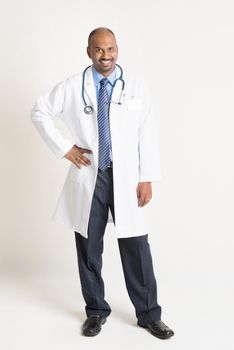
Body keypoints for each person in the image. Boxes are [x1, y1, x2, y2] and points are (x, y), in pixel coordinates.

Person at [31, 27, 174, 339]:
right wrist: (64, 148)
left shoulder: (135, 85)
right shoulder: (72, 86)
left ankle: (149, 314)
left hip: (127, 179)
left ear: (117, 50)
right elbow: (40, 111)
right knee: (88, 247)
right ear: (89, 51)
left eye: (111, 49)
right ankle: (95, 311)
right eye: (99, 50)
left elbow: (146, 133)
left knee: (136, 247)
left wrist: (146, 176)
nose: (105, 56)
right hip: (89, 177)